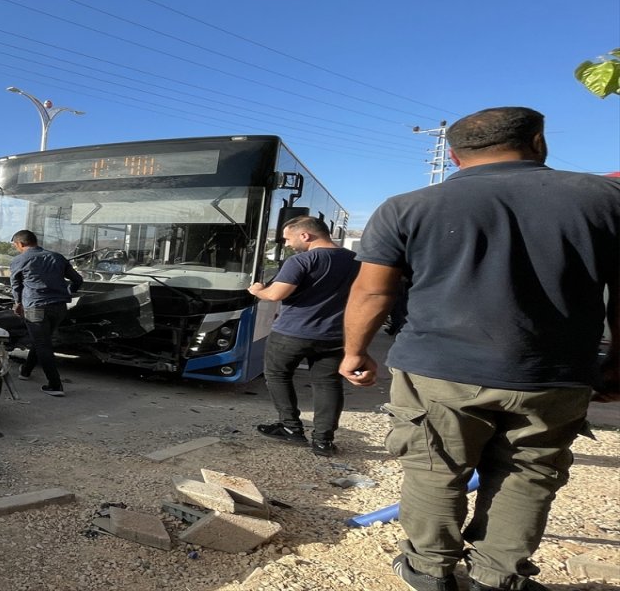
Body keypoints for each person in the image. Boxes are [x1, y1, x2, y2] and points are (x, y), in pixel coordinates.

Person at [339, 107, 620, 591]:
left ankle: (428, 571)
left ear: (452, 155)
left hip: (438, 372)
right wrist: (617, 365)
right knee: (528, 472)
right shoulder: (606, 199)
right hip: (553, 374)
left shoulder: (406, 207)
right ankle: (498, 576)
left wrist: (354, 352)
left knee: (434, 469)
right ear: (537, 141)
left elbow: (373, 293)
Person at [247, 215, 360, 457]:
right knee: (328, 383)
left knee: (276, 374)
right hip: (335, 335)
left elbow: (277, 294)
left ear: (305, 236)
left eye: (288, 239)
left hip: (292, 332)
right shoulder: (356, 260)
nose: (287, 244)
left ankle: (290, 427)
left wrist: (258, 291)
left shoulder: (301, 260)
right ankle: (323, 441)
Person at [8, 229, 83, 397]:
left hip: (35, 307)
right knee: (41, 340)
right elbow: (78, 280)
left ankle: (55, 385)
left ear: (21, 244)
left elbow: (16, 286)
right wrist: (67, 293)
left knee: (43, 344)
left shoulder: (19, 260)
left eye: (15, 245)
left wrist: (18, 303)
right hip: (59, 307)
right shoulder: (57, 257)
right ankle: (25, 371)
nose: (16, 248)